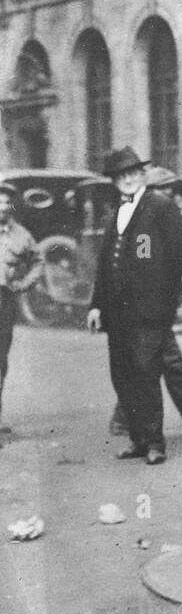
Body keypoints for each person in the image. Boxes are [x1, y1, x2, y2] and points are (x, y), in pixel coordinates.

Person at [87, 147, 182, 465]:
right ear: (114, 181)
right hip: (117, 315)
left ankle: (155, 443)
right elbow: (105, 265)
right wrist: (96, 306)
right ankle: (137, 439)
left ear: (142, 175)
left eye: (133, 173)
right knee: (123, 376)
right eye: (121, 176)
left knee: (146, 375)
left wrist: (162, 295)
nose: (128, 180)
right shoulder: (115, 213)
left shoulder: (160, 206)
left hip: (149, 313)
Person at [108, 166, 182, 440]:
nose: (172, 198)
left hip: (155, 306)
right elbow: (143, 262)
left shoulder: (160, 215)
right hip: (143, 308)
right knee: (153, 364)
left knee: (157, 363)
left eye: (172, 192)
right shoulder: (141, 223)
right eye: (166, 192)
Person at [0, 184, 44, 435]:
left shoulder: (21, 235)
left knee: (0, 359)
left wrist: (24, 283)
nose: (2, 207)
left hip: (5, 300)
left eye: (7, 203)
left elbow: (37, 261)